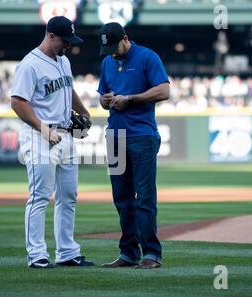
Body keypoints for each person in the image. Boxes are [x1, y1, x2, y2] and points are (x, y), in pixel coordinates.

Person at [10, 16, 94, 269]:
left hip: (66, 135)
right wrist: (43, 129)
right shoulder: (30, 64)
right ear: (51, 36)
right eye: (65, 40)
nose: (68, 45)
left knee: (68, 196)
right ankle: (36, 254)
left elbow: (68, 89)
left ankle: (67, 252)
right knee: (40, 196)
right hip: (39, 137)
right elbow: (17, 102)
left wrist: (84, 112)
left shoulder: (63, 60)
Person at [97, 22, 170, 269]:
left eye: (114, 47)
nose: (111, 54)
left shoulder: (147, 57)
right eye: (107, 49)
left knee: (144, 198)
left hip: (141, 135)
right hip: (114, 136)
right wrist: (104, 100)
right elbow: (102, 96)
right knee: (121, 198)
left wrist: (130, 99)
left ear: (125, 39)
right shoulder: (107, 61)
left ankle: (151, 253)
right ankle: (128, 253)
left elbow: (164, 90)